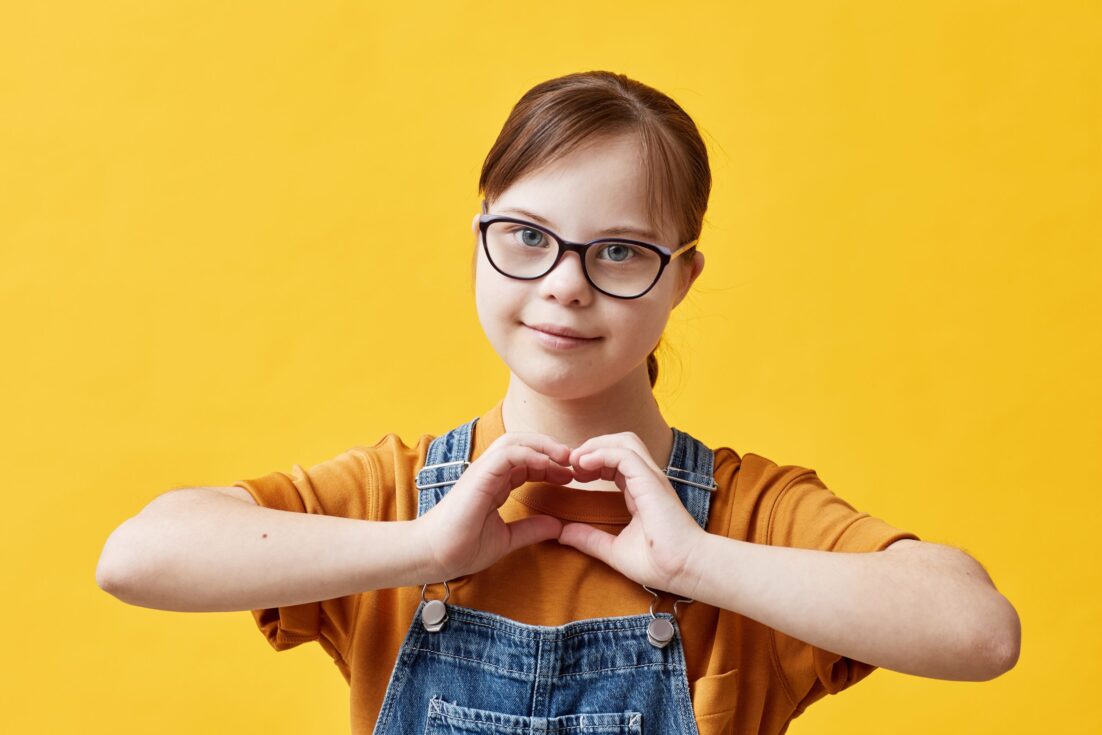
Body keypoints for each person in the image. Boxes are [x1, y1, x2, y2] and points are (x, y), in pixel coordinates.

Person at [97, 70, 1018, 735]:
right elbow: (136, 557)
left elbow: (978, 632)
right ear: (481, 236)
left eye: (619, 251)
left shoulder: (748, 516)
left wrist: (696, 561)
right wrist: (426, 546)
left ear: (682, 277)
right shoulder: (398, 493)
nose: (566, 285)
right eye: (529, 236)